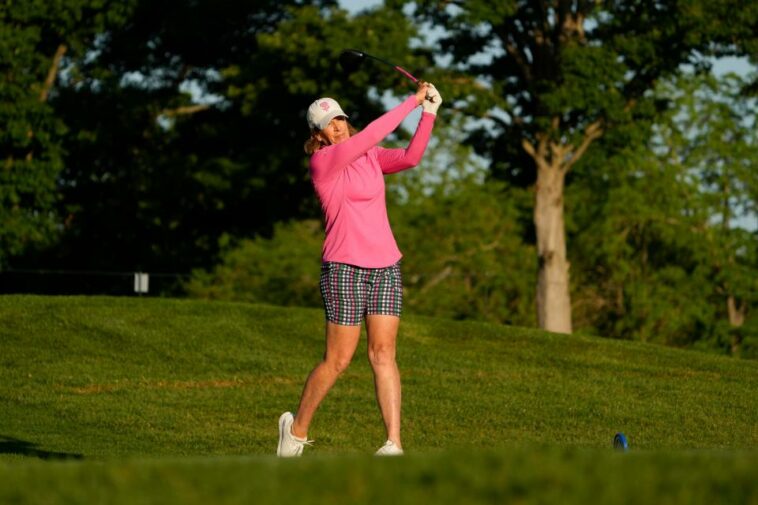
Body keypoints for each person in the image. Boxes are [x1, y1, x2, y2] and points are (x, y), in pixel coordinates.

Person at [277, 81, 442, 457]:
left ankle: (393, 444)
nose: (337, 127)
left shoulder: (370, 156)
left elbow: (411, 157)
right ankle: (296, 429)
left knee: (384, 354)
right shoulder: (323, 163)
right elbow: (370, 135)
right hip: (344, 269)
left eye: (339, 119)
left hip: (386, 265)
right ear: (317, 135)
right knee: (338, 361)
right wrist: (411, 102)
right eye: (328, 124)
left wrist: (428, 114)